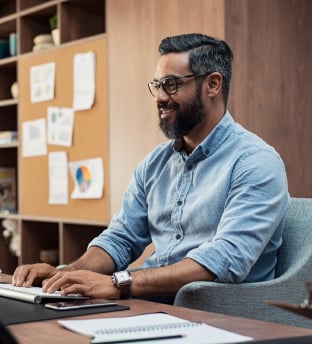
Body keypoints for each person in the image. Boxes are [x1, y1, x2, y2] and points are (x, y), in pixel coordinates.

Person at [12, 33, 289, 303]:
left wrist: (120, 284)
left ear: (213, 84)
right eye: (157, 85)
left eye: (171, 84)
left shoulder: (256, 162)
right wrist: (66, 275)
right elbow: (121, 238)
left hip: (220, 318)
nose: (159, 97)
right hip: (152, 306)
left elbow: (225, 259)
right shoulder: (155, 164)